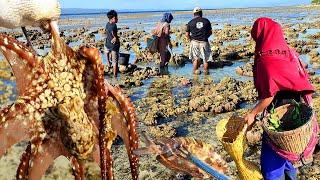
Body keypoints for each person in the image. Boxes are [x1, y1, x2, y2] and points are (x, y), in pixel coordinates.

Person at [244, 17, 318, 180]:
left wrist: (253, 113)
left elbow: (270, 94)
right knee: (288, 153)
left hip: (277, 115)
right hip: (297, 111)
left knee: (271, 167)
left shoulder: (266, 59)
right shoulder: (290, 52)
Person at [186, 7, 212, 75]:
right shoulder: (206, 21)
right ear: (201, 13)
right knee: (205, 60)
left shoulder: (190, 22)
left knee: (195, 59)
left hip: (194, 42)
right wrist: (206, 37)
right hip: (204, 42)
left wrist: (191, 40)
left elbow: (187, 34)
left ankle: (194, 73)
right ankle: (206, 74)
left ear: (194, 14)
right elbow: (210, 32)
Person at [106, 10, 120, 77]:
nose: (117, 19)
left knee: (109, 54)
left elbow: (108, 32)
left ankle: (108, 63)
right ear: (112, 18)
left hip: (108, 44)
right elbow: (113, 33)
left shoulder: (107, 24)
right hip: (114, 46)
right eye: (116, 18)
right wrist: (115, 37)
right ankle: (115, 76)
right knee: (115, 62)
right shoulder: (114, 25)